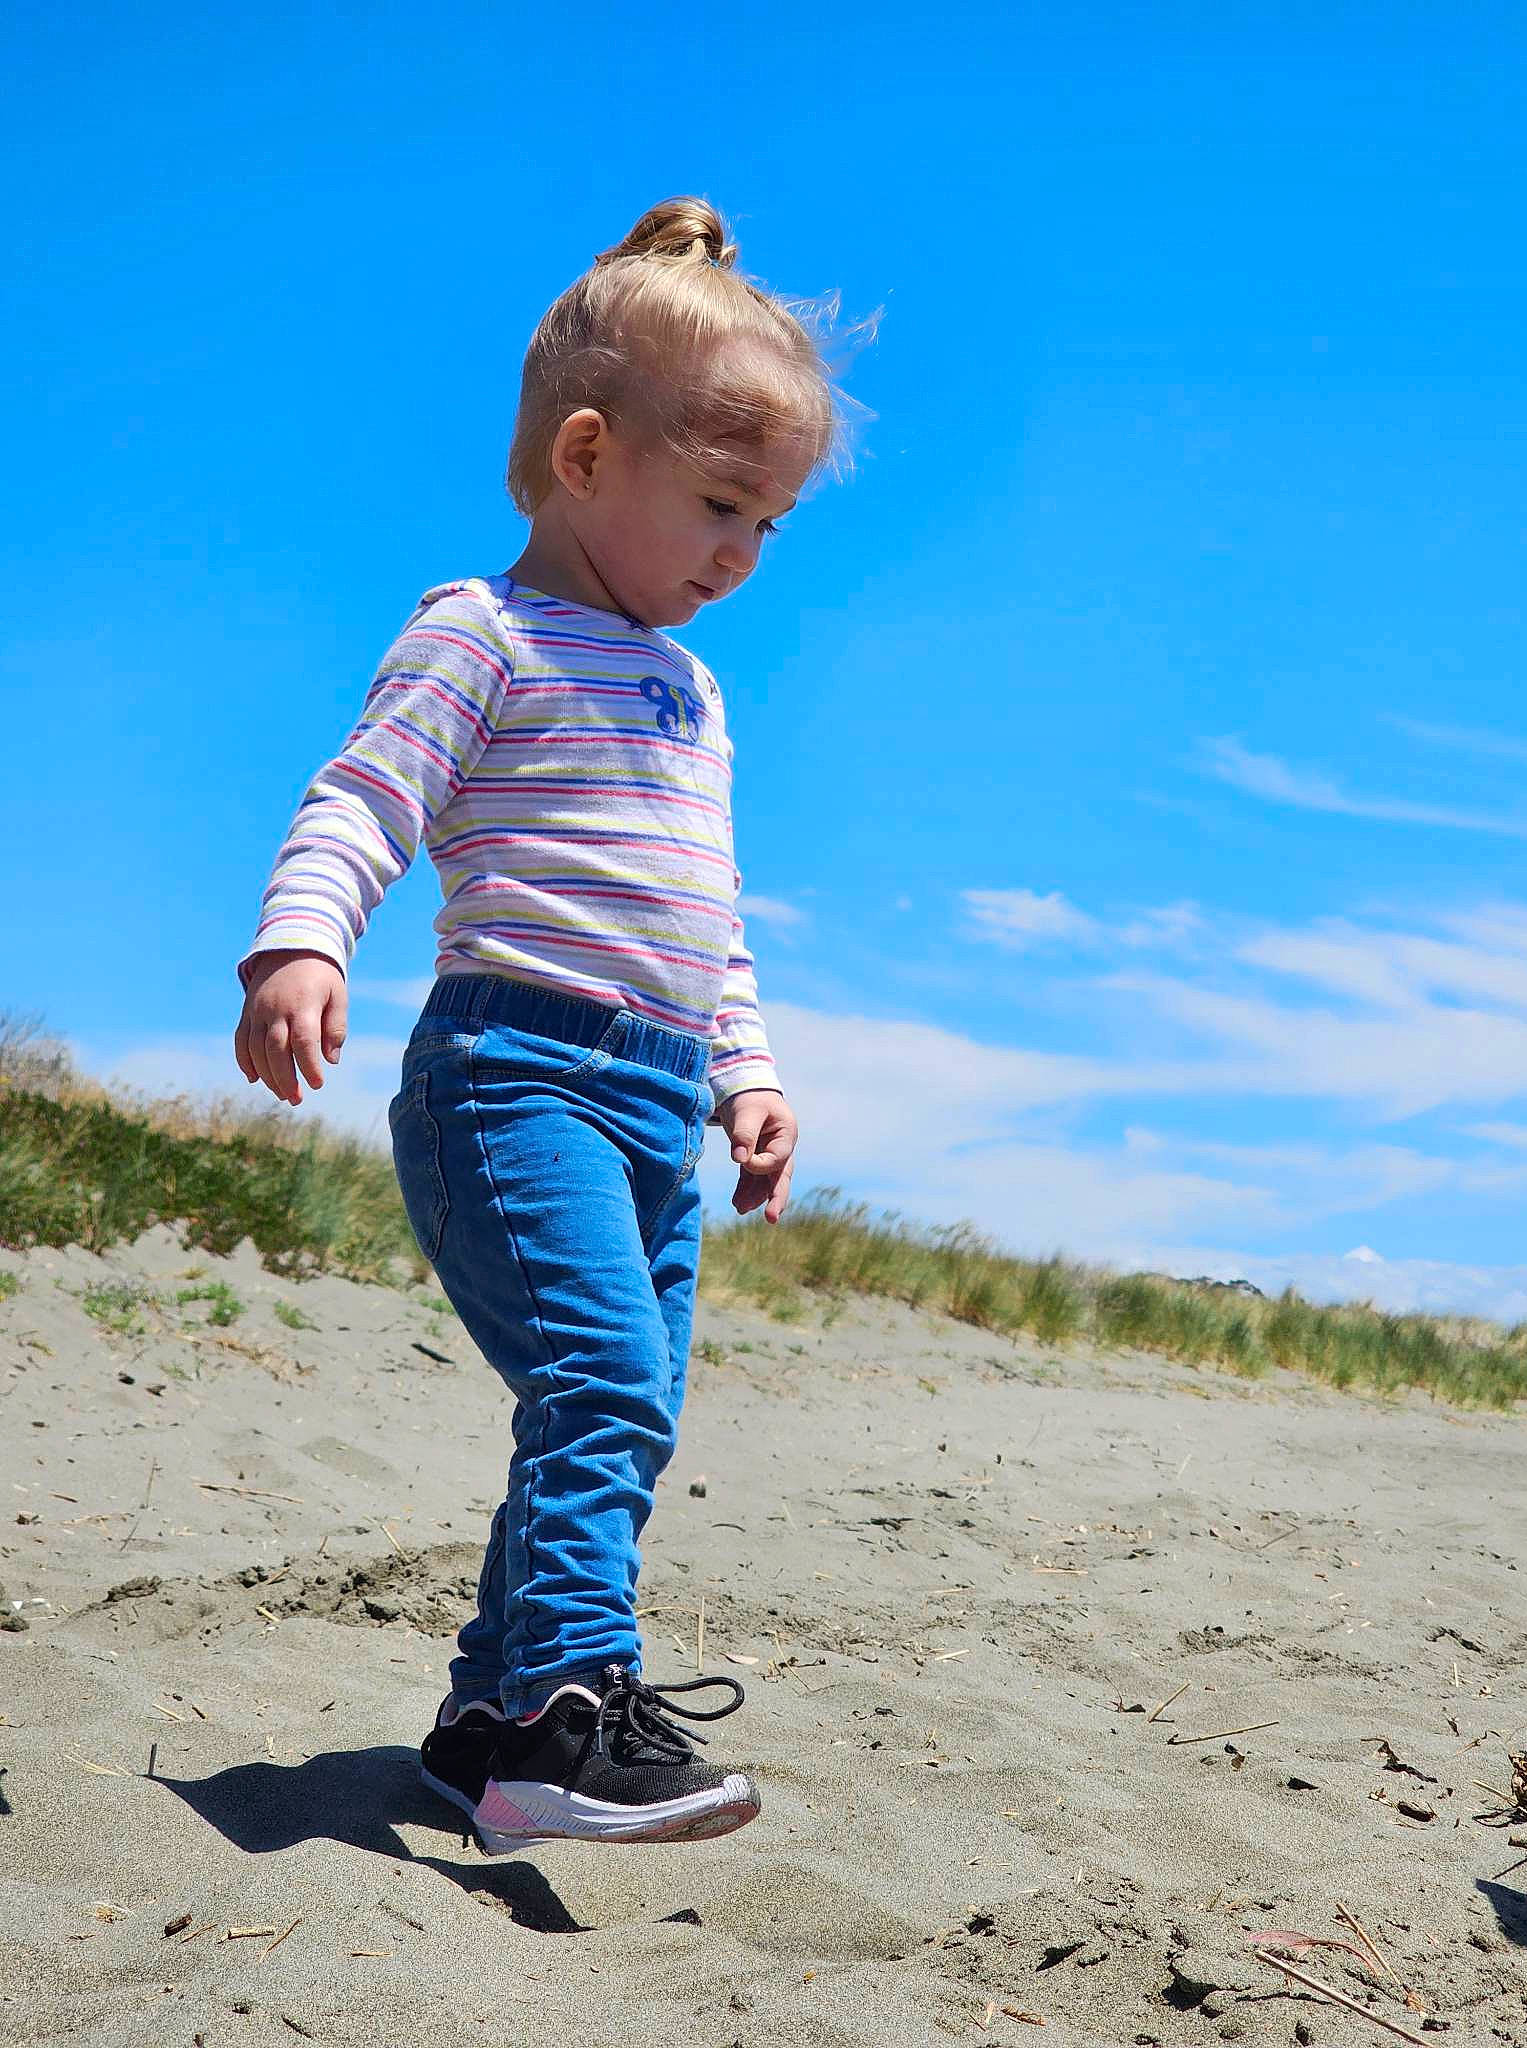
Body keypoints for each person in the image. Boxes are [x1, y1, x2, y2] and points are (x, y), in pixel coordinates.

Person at [233, 197, 851, 1851]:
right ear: (585, 456)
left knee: (626, 1405)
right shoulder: (482, 632)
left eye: (770, 527)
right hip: (513, 1076)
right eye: (722, 504)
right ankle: (571, 1708)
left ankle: (483, 1722)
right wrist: (301, 941)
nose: (740, 554)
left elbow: (702, 920)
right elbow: (366, 796)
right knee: (600, 1377)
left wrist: (749, 1076)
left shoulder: (696, 694)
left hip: (656, 1102)